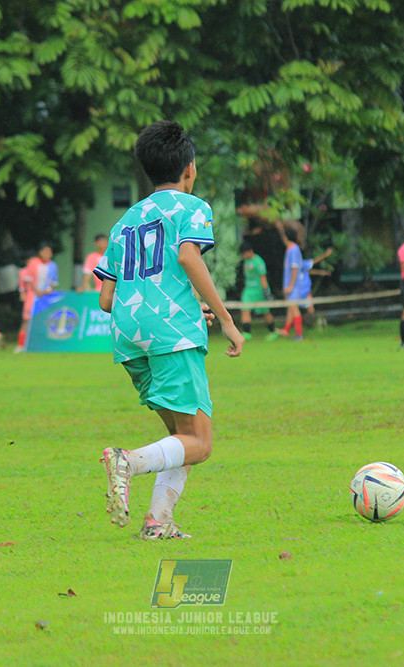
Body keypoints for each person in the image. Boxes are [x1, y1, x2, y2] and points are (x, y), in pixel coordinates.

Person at [94, 120, 244, 540]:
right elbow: (188, 258)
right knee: (201, 443)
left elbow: (105, 299)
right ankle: (128, 461)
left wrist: (183, 305)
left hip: (128, 337)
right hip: (170, 334)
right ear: (189, 168)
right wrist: (227, 320)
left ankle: (157, 522)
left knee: (181, 437)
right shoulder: (192, 207)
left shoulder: (125, 221)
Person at [15, 242, 59, 353]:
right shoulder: (33, 263)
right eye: (45, 252)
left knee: (45, 319)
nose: (47, 254)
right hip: (32, 295)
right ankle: (20, 345)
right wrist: (36, 291)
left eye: (49, 252)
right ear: (40, 252)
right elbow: (28, 279)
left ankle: (43, 344)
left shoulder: (53, 266)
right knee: (27, 319)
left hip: (45, 296)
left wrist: (48, 289)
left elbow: (54, 282)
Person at [238, 241, 277, 341]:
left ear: (249, 251)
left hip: (259, 290)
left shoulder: (258, 261)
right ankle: (247, 333)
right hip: (248, 289)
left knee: (265, 312)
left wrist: (266, 291)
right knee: (245, 309)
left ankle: (273, 331)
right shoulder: (246, 261)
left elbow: (262, 277)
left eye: (244, 254)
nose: (243, 256)